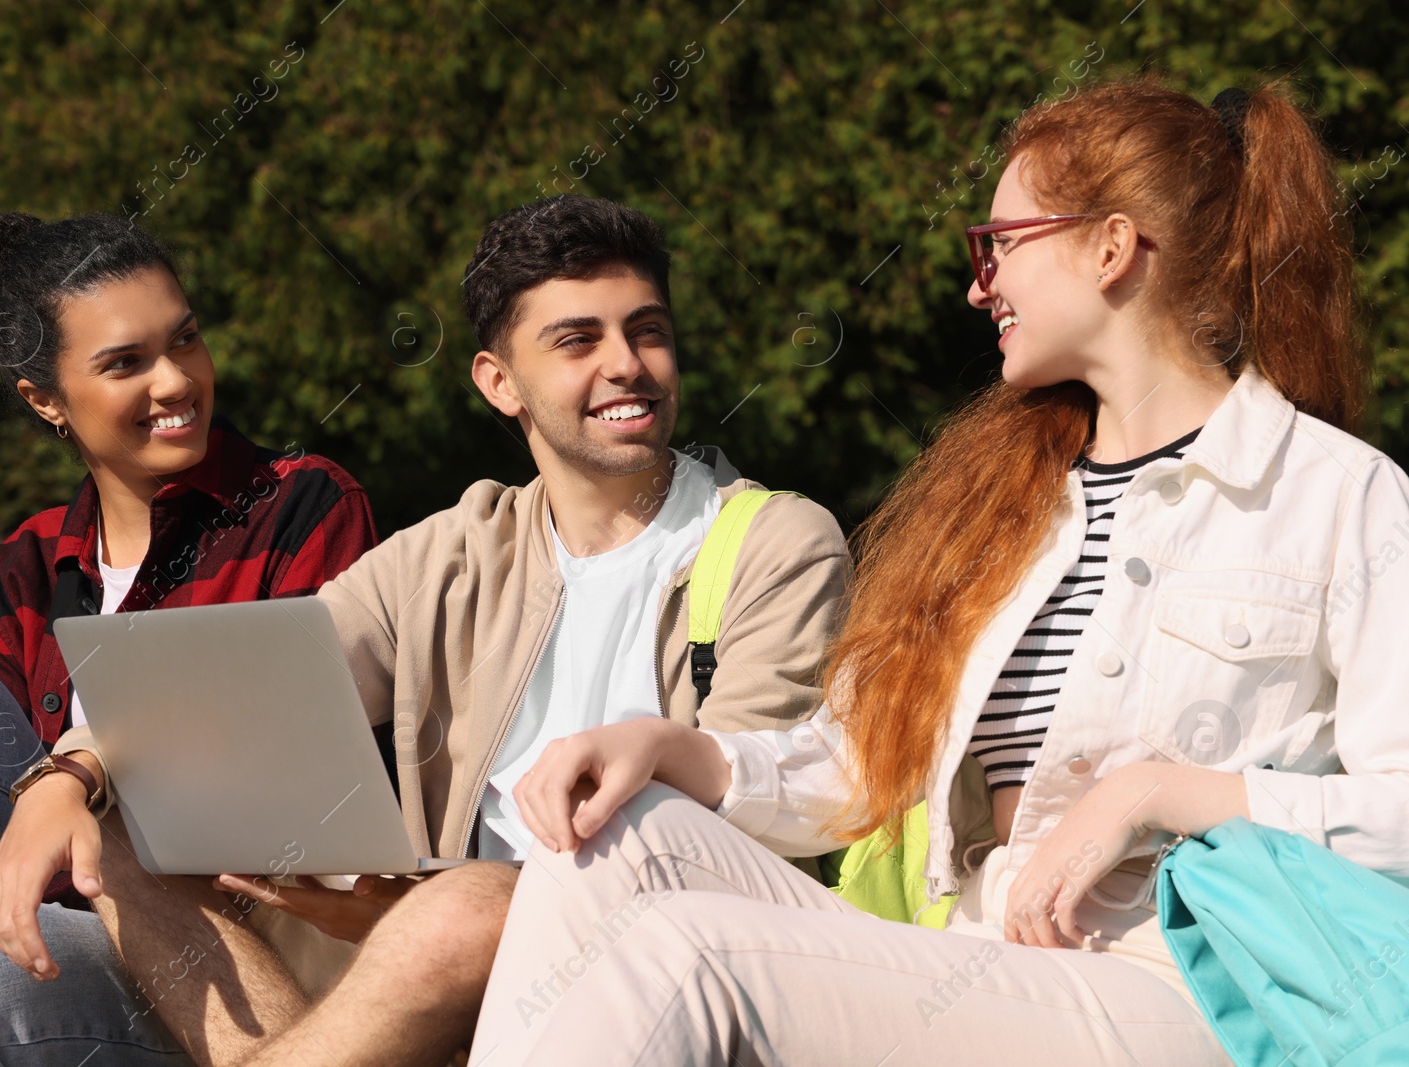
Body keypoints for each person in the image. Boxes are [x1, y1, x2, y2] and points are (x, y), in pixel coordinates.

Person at [467, 78, 1409, 1065]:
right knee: (605, 846)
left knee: (680, 954)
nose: (978, 283)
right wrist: (673, 749)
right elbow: (861, 764)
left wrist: (1158, 792)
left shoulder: (1337, 497)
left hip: (1173, 986)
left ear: (1110, 246)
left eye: (998, 243)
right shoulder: (1007, 501)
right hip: (976, 956)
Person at [48, 194, 852, 1066]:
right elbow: (241, 690)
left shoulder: (775, 540)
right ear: (498, 381)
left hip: (644, 958)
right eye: (579, 341)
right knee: (122, 828)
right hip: (431, 958)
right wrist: (66, 771)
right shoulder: (454, 549)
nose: (628, 364)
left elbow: (740, 834)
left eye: (647, 330)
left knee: (465, 908)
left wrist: (428, 915)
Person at [0, 211, 378, 1066]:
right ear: (45, 400)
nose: (177, 380)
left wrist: (81, 770)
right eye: (126, 363)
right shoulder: (31, 562)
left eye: (184, 340)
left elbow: (286, 728)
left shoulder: (302, 504)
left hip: (212, 941)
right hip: (58, 928)